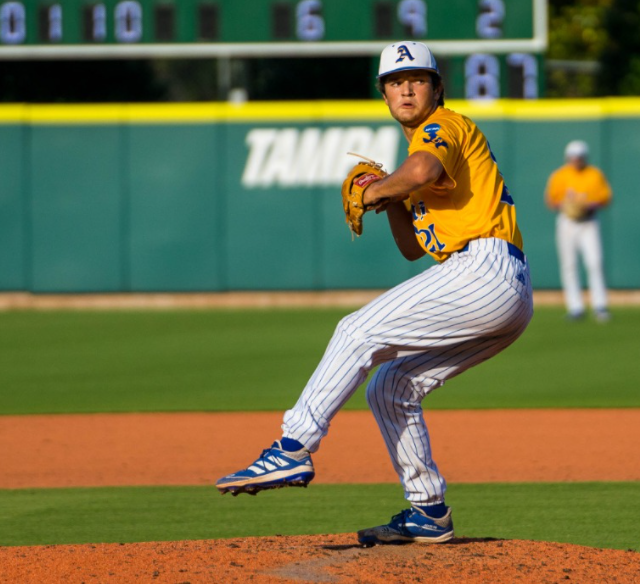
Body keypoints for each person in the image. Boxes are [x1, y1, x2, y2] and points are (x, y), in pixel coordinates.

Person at [216, 41, 533, 546]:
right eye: (395, 81)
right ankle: (428, 509)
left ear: (436, 88)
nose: (406, 88)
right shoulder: (417, 155)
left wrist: (373, 189)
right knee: (390, 387)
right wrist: (394, 198)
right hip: (503, 292)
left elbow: (423, 172)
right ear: (384, 94)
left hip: (485, 269)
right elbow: (412, 249)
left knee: (355, 330)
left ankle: (293, 446)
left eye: (418, 79)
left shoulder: (444, 127)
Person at [545, 140, 612, 322]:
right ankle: (576, 308)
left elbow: (605, 198)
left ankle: (600, 306)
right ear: (568, 158)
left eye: (579, 157)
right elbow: (551, 200)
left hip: (589, 221)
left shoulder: (594, 174)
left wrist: (588, 205)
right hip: (567, 222)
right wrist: (568, 205)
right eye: (573, 157)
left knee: (595, 262)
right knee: (569, 265)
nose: (576, 160)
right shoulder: (560, 175)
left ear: (584, 157)